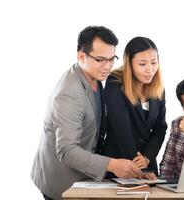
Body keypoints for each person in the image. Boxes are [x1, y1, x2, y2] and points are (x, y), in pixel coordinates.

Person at [31, 26, 143, 200]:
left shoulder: (94, 76)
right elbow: (67, 151)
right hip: (60, 180)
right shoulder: (68, 94)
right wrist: (112, 164)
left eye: (111, 59)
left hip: (86, 173)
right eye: (100, 60)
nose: (108, 66)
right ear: (81, 56)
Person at [102, 37, 167, 178]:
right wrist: (138, 170)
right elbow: (121, 127)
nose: (150, 70)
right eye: (142, 64)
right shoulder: (115, 83)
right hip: (120, 163)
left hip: (147, 164)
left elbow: (160, 128)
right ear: (129, 64)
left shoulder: (159, 89)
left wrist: (147, 158)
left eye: (154, 63)